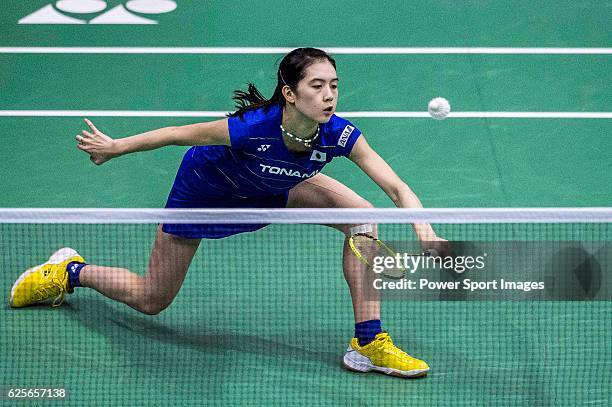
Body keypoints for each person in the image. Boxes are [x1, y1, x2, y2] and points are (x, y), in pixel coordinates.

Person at [10, 47, 446, 378]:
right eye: (317, 85)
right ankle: (69, 271)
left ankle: (368, 342)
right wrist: (115, 147)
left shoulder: (339, 134)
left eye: (333, 84)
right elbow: (179, 133)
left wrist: (424, 233)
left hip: (275, 189)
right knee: (151, 299)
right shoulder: (251, 128)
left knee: (362, 216)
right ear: (290, 93)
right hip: (205, 195)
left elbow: (396, 186)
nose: (329, 94)